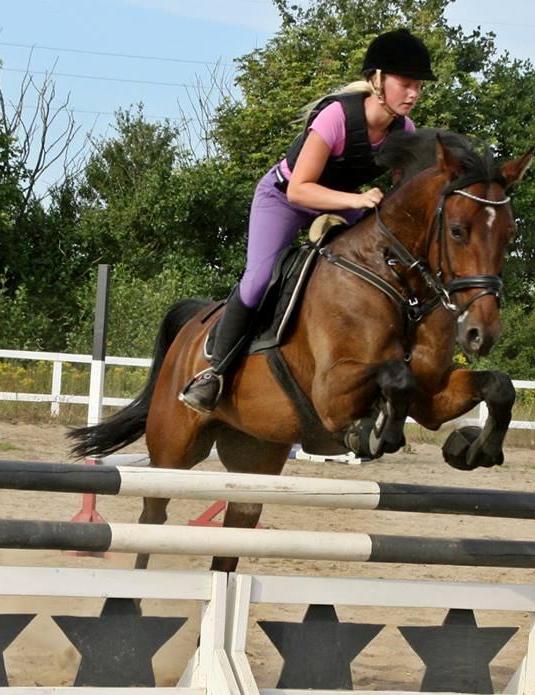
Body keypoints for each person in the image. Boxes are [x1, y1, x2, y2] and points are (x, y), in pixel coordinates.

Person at [179, 28, 437, 414]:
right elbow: (300, 189)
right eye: (406, 83)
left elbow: (403, 199)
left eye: (418, 85)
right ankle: (213, 373)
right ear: (378, 80)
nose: (414, 93)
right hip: (284, 198)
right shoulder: (337, 116)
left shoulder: (406, 132)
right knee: (258, 281)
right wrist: (357, 200)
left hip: (341, 203)